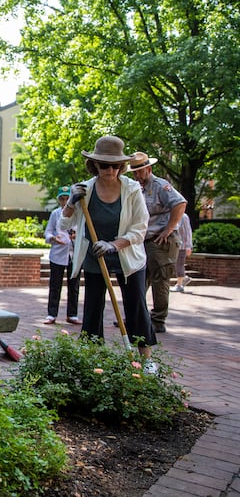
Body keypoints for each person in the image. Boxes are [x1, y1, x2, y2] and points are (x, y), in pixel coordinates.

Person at [60, 136, 157, 370]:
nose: (110, 170)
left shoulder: (132, 189)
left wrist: (114, 245)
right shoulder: (85, 190)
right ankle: (92, 359)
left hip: (127, 255)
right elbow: (65, 225)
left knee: (136, 306)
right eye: (104, 165)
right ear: (95, 165)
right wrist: (72, 202)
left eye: (115, 165)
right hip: (95, 255)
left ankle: (147, 361)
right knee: (93, 307)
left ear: (122, 166)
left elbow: (140, 227)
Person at [128, 152, 187, 333]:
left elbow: (180, 203)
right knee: (138, 280)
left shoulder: (161, 186)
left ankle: (158, 320)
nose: (137, 176)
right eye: (134, 173)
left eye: (140, 172)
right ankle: (137, 317)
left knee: (160, 281)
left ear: (149, 169)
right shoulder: (136, 188)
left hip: (161, 242)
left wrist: (169, 229)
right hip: (143, 241)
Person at [43, 186, 81, 325]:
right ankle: (52, 314)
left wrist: (77, 236)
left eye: (67, 198)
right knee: (55, 285)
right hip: (58, 254)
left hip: (74, 254)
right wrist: (53, 238)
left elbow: (83, 232)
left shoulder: (78, 214)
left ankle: (72, 314)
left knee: (74, 285)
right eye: (62, 199)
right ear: (59, 200)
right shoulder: (55, 214)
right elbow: (47, 232)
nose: (65, 201)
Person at [171, 212, 193, 293]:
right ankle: (183, 278)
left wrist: (188, 246)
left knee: (179, 264)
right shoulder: (172, 215)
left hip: (182, 245)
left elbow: (188, 232)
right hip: (176, 245)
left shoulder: (183, 217)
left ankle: (180, 285)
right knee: (176, 264)